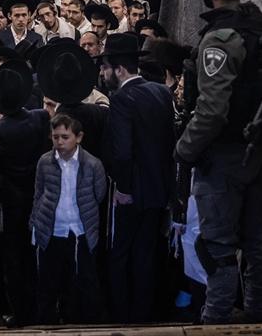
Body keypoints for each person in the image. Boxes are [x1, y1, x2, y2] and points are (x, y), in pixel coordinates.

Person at [175, 0, 262, 325]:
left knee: (216, 246)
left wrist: (184, 148)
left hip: (224, 156)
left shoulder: (220, 38)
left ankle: (216, 319)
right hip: (259, 149)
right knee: (257, 240)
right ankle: (257, 315)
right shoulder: (260, 26)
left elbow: (212, 111)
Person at [100, 33, 176, 324]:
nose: (103, 73)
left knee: (121, 253)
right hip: (159, 187)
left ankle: (123, 315)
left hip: (132, 189)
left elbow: (122, 151)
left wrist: (123, 188)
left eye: (106, 67)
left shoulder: (121, 99)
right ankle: (146, 312)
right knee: (147, 252)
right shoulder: (161, 92)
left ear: (119, 69)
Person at [0, 62, 50, 327]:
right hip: (41, 196)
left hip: (13, 202)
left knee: (15, 259)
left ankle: (22, 313)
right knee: (38, 255)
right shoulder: (40, 117)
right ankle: (43, 309)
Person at [31, 114, 107, 325]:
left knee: (84, 281)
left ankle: (82, 322)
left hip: (80, 229)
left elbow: (99, 194)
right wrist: (35, 224)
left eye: (65, 137)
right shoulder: (45, 162)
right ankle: (47, 323)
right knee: (48, 282)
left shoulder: (92, 164)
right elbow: (39, 193)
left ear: (78, 137)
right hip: (52, 229)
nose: (60, 142)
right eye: (55, 137)